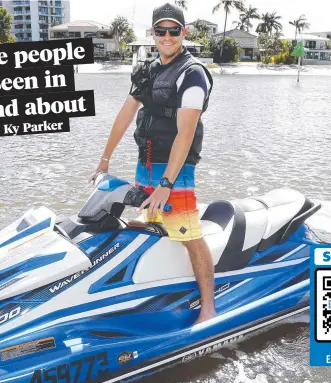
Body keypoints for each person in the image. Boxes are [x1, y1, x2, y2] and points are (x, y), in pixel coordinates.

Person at [91, 3, 215, 324]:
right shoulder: (147, 71)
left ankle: (208, 307)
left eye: (174, 31)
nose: (167, 37)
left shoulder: (193, 73)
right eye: (161, 31)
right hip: (145, 162)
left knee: (189, 235)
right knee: (146, 223)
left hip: (175, 169)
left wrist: (166, 183)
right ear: (153, 34)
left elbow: (185, 133)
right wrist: (104, 160)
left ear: (183, 34)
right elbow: (125, 115)